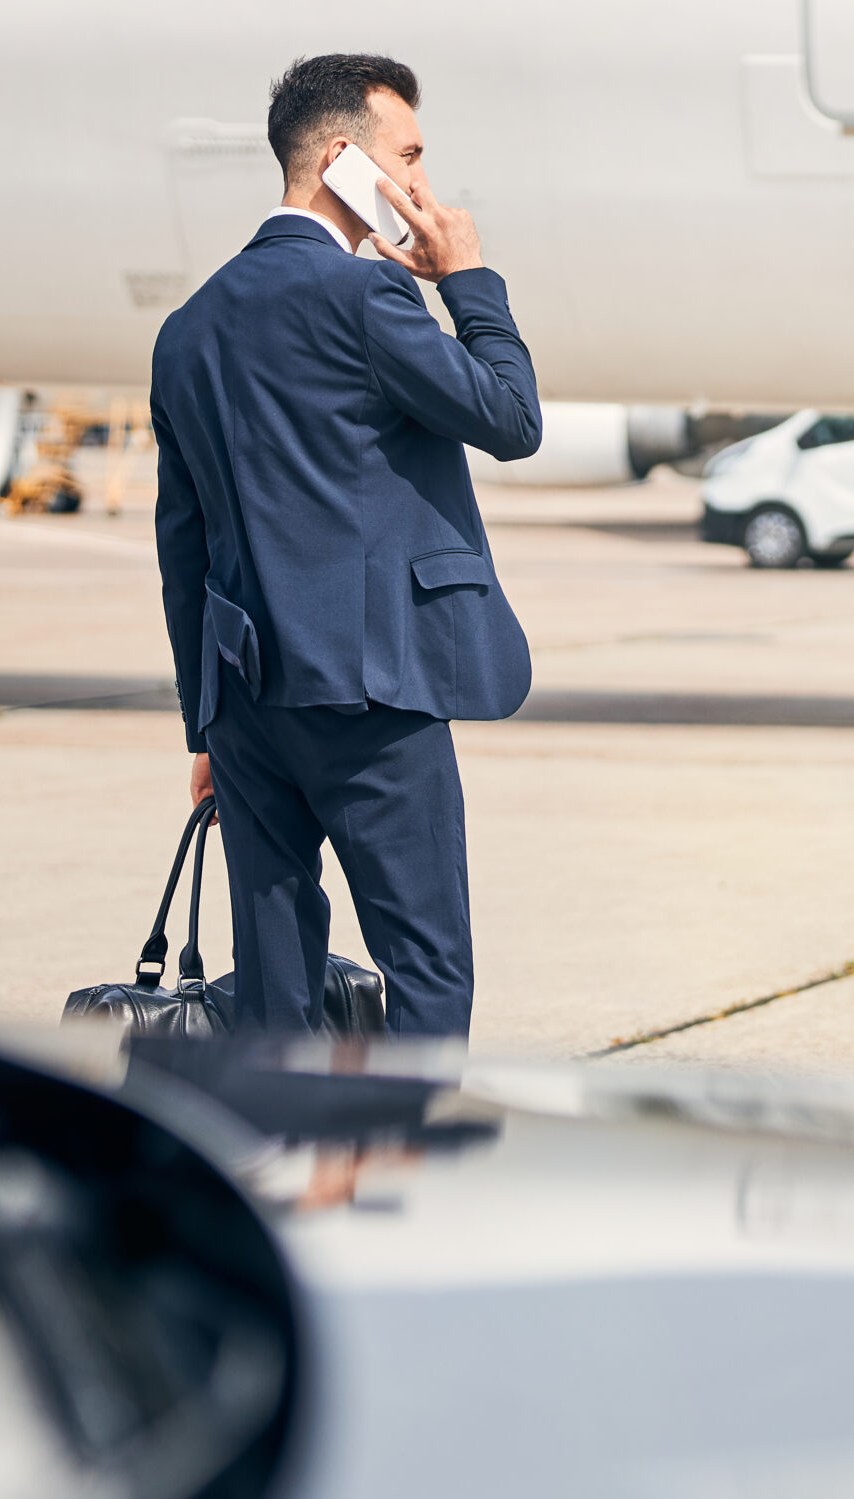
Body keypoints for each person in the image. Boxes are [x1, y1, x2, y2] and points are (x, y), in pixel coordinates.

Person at [149, 53, 541, 1036]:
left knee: (276, 983)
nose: (420, 186)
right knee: (425, 969)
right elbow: (509, 418)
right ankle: (407, 1180)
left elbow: (182, 544)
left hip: (247, 703)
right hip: (377, 690)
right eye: (407, 157)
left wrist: (205, 726)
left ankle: (286, 1167)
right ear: (340, 157)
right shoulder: (365, 300)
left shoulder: (188, 329)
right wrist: (470, 281)